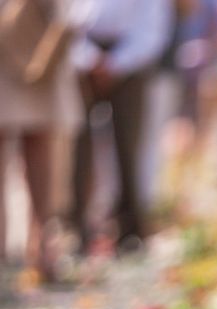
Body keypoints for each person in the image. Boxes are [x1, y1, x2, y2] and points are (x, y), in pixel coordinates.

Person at [69, 0, 175, 253]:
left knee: (130, 144)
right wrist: (88, 58)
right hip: (83, 57)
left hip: (131, 58)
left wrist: (118, 63)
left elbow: (153, 25)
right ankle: (75, 226)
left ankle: (130, 227)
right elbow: (67, 19)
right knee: (76, 148)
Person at [0, 0, 81, 284]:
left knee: (41, 146)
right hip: (22, 43)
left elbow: (73, 13)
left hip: (37, 46)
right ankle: (34, 248)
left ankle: (43, 244)